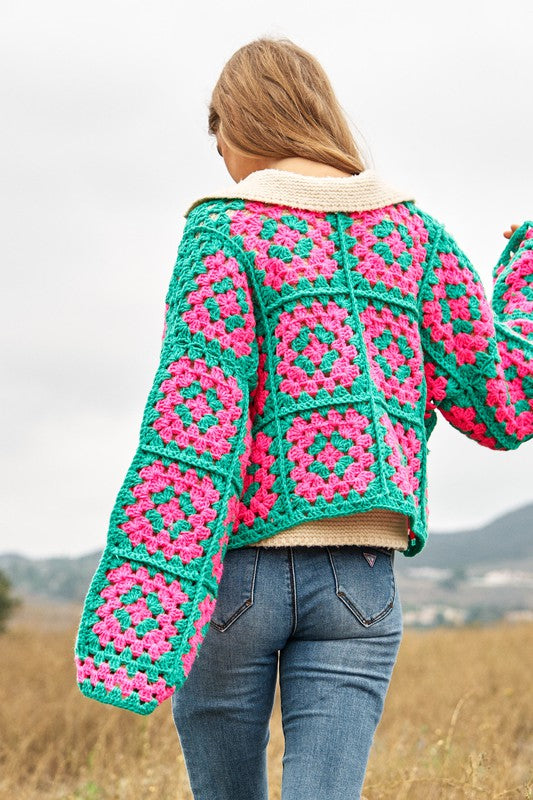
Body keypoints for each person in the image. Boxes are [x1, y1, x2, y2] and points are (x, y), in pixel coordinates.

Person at [73, 36, 533, 800]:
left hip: (236, 577)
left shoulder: (225, 234)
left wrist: (148, 592)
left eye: (216, 131)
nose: (218, 150)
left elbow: (192, 425)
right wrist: (523, 282)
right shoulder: (411, 235)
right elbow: (506, 402)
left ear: (243, 122)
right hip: (360, 576)